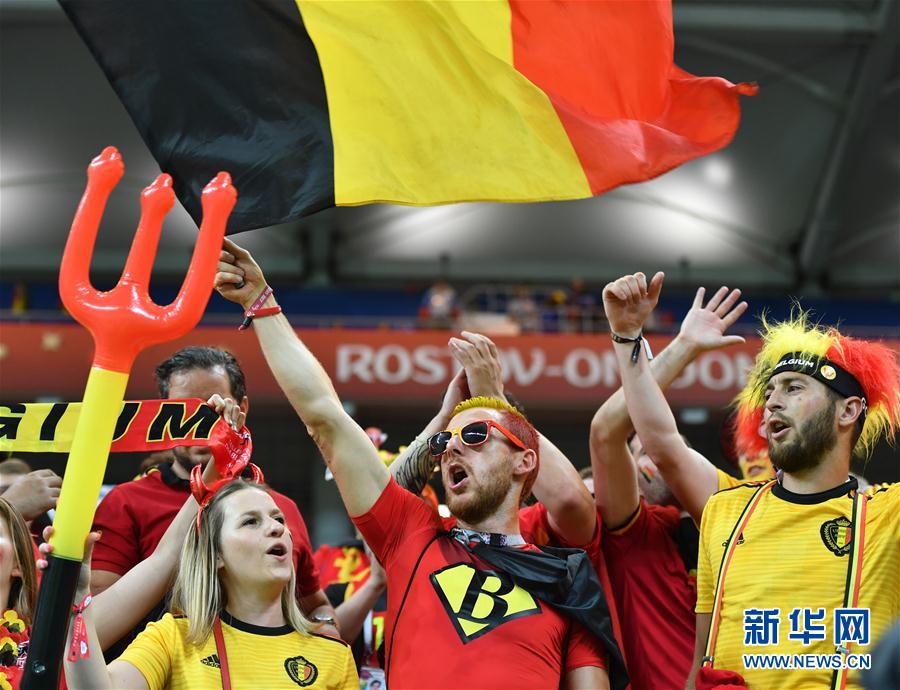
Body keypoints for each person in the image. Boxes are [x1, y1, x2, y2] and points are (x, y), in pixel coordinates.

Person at [215, 238, 619, 690]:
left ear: (525, 461)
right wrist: (261, 303)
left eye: (475, 436)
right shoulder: (410, 535)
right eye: (446, 442)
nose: (451, 450)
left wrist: (496, 401)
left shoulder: (566, 578)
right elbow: (325, 418)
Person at [604, 273, 900, 690]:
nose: (772, 401)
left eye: (793, 388)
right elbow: (660, 441)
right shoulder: (727, 509)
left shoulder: (889, 515)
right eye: (770, 391)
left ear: (848, 411)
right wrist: (627, 338)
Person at [90, 346, 336, 642]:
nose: (199, 422)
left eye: (212, 408)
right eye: (184, 410)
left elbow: (315, 606)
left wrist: (327, 629)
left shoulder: (281, 509)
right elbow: (93, 628)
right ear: (163, 415)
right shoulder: (125, 502)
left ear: (242, 408)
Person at [591, 278, 750, 690]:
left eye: (654, 452)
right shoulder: (636, 533)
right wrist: (680, 347)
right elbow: (606, 432)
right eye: (637, 453)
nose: (647, 460)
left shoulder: (738, 517)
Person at [63, 479, 358, 689]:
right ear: (216, 555)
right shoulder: (174, 636)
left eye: (278, 519)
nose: (276, 528)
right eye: (251, 521)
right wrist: (78, 601)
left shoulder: (334, 654)